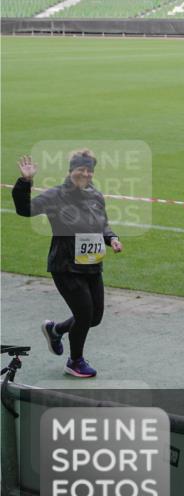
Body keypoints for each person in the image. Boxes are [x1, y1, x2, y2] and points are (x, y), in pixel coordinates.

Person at [11, 150, 123, 378]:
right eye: (81, 169)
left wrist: (111, 238)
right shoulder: (56, 196)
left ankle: (56, 329)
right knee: (84, 315)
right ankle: (75, 361)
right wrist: (25, 181)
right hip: (65, 266)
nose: (85, 174)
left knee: (95, 317)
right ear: (71, 171)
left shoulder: (95, 195)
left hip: (92, 265)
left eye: (89, 170)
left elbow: (102, 225)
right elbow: (25, 210)